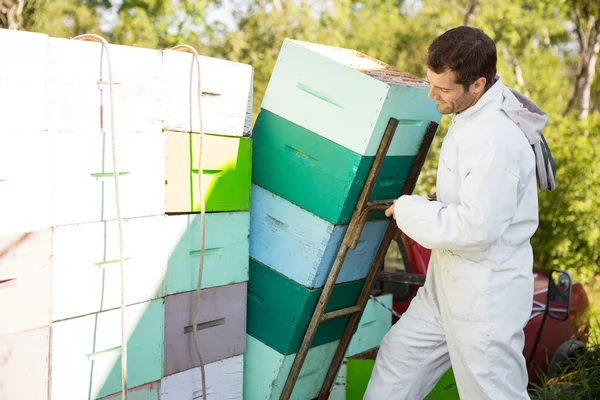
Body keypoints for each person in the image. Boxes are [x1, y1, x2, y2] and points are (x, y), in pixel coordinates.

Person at [365, 26, 547, 399]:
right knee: (399, 362)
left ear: (478, 84)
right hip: (446, 286)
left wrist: (410, 209)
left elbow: (477, 227)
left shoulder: (495, 139)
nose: (432, 94)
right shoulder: (473, 115)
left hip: (484, 295)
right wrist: (436, 201)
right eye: (432, 82)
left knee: (492, 393)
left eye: (443, 89)